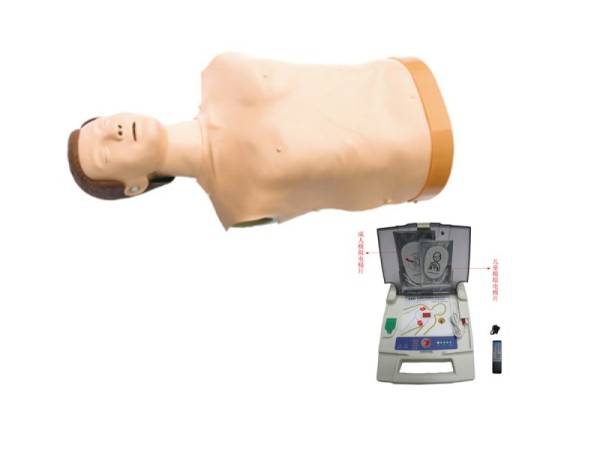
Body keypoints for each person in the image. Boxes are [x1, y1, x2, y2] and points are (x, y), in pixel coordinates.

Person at [68, 53, 453, 229]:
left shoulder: (219, 72)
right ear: (135, 187)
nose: (115, 131)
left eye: (104, 124)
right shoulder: (238, 208)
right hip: (425, 160)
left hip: (404, 76)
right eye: (105, 153)